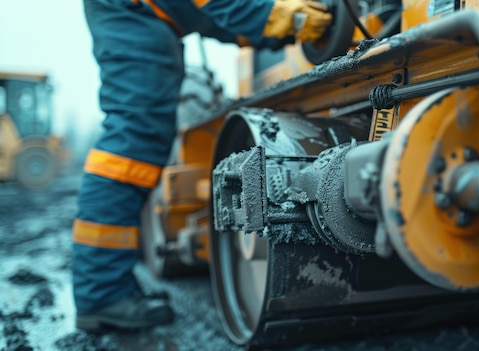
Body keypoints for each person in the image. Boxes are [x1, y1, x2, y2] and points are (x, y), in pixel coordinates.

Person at [73, 0, 332, 331]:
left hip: (150, 13)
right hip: (135, 11)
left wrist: (270, 30)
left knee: (139, 136)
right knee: (131, 143)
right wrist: (277, 15)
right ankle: (102, 294)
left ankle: (103, 288)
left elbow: (212, 16)